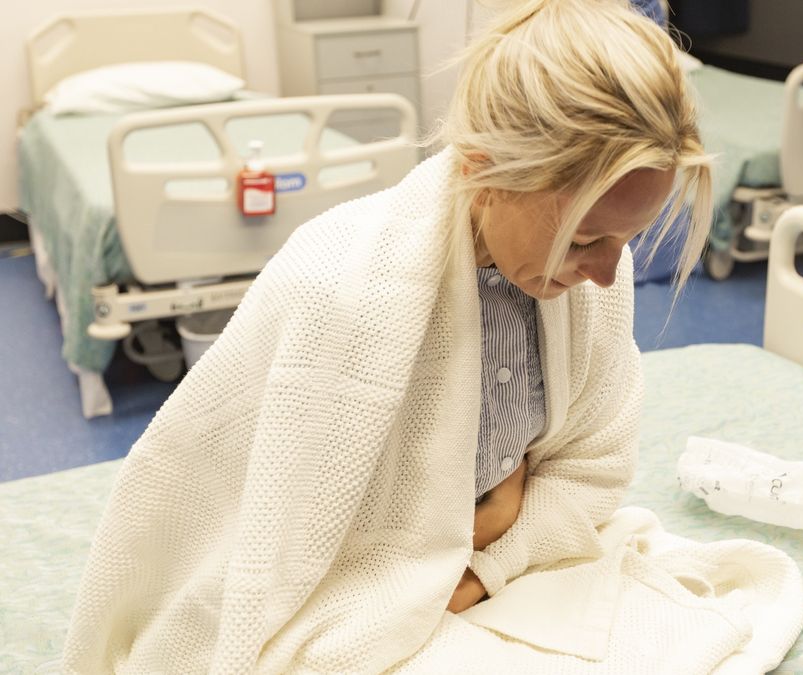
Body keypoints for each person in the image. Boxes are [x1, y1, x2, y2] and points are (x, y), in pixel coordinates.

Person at [61, 0, 712, 670]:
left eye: (627, 239)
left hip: (488, 568)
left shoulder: (592, 278)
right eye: (585, 239)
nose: (609, 272)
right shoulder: (337, 289)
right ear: (485, 173)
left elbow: (595, 464)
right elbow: (269, 542)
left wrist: (493, 560)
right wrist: (465, 537)